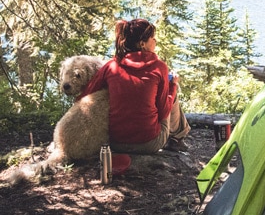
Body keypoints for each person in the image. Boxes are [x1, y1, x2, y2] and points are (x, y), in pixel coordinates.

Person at [80, 18, 190, 154]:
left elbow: (85, 95)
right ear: (142, 44)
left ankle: (178, 136)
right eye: (152, 38)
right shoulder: (159, 67)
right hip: (149, 143)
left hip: (116, 143)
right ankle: (177, 138)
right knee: (170, 93)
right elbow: (163, 112)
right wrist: (173, 85)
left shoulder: (112, 66)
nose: (155, 41)